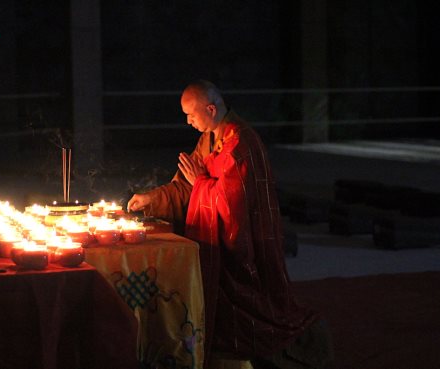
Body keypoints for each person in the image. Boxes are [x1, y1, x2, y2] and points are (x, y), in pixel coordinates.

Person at [128, 80, 333, 369]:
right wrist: (152, 198)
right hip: (215, 238)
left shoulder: (240, 144)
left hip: (244, 243)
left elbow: (229, 206)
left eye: (191, 115)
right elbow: (188, 187)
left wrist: (200, 182)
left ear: (211, 109)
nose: (188, 122)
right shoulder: (210, 138)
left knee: (254, 307)